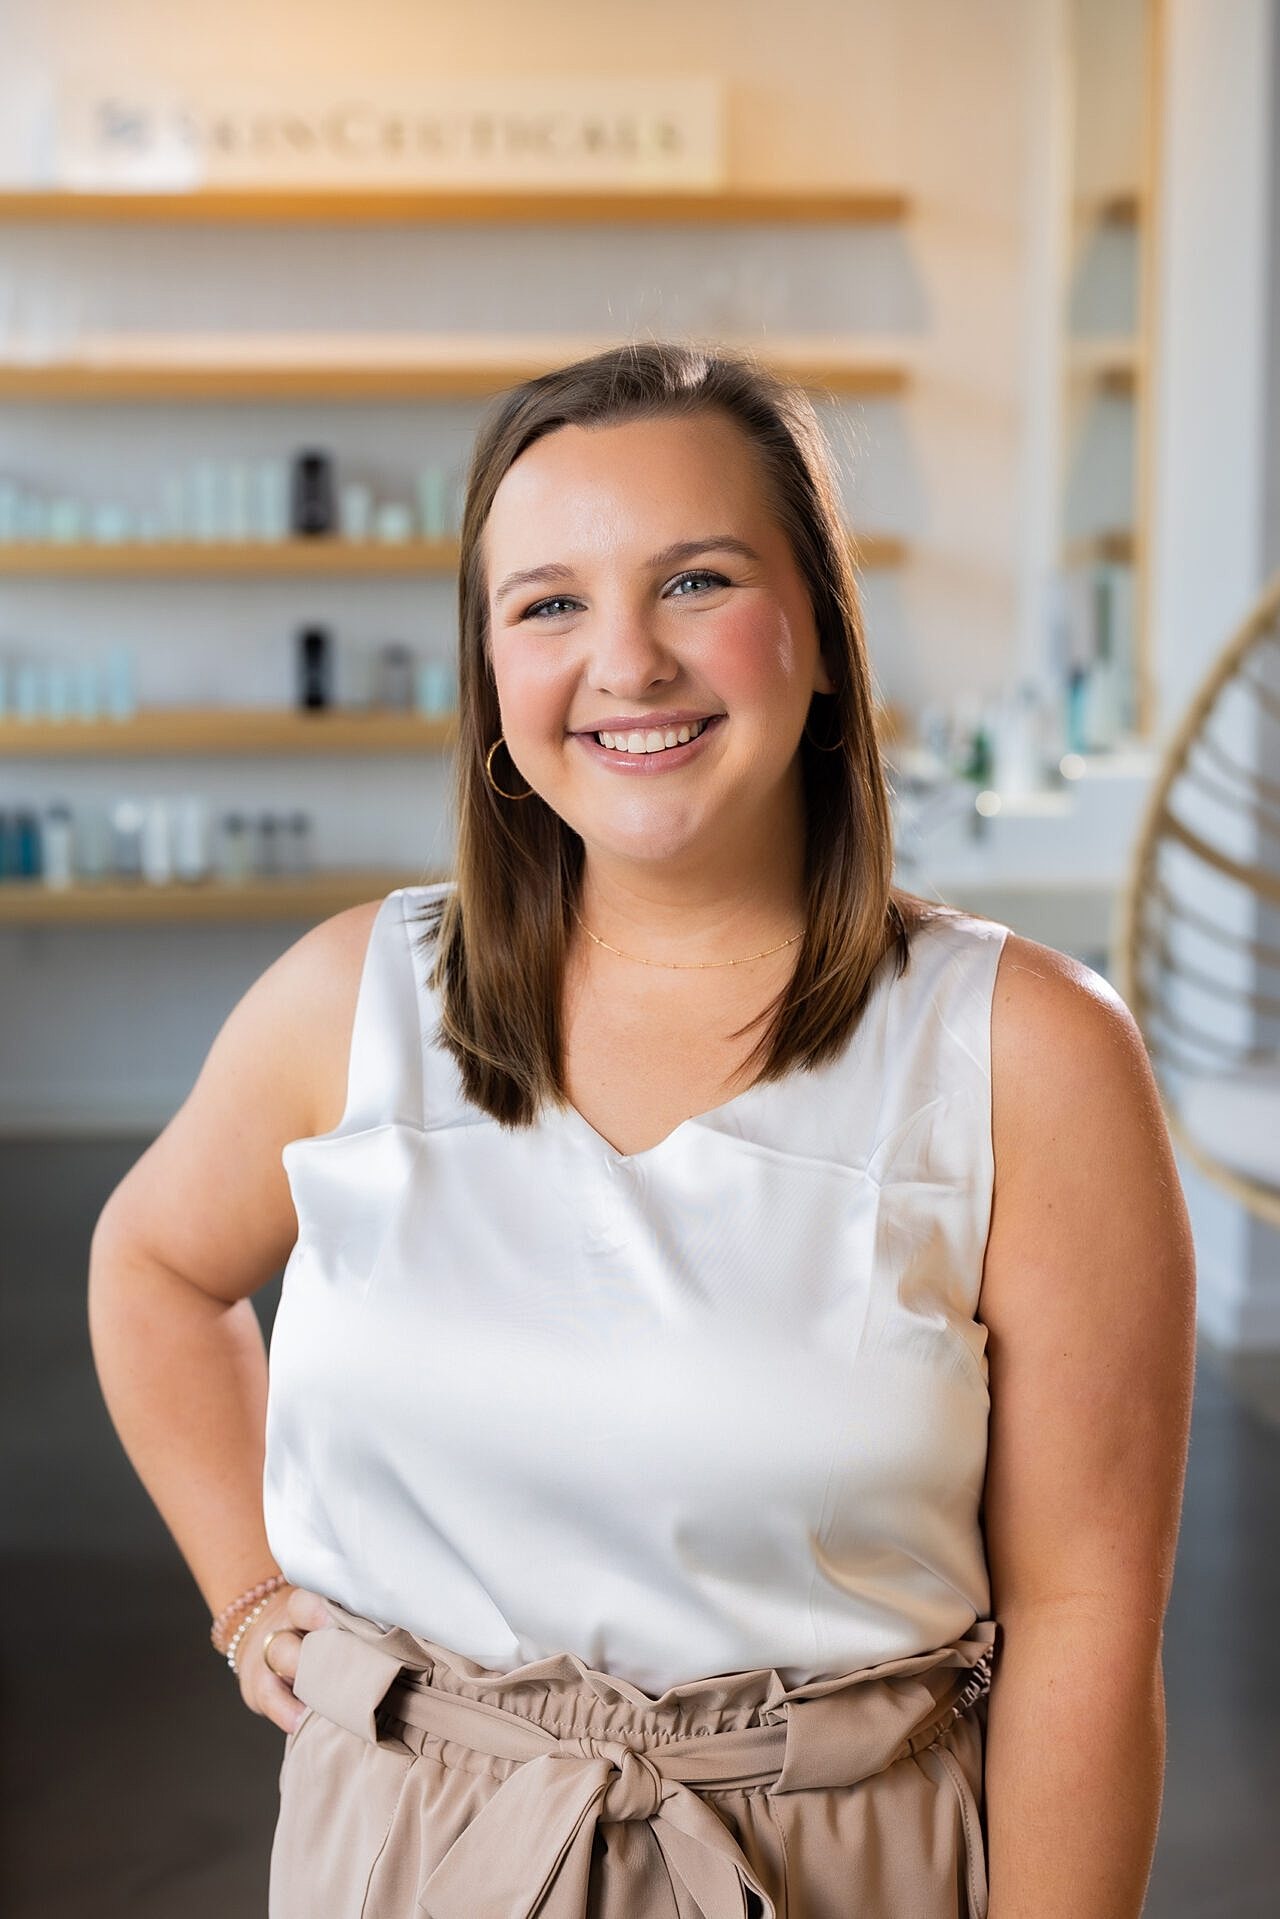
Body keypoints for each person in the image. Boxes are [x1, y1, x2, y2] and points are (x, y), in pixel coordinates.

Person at [88, 340, 1196, 1919]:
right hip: (404, 1856)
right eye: (549, 603)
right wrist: (248, 1593)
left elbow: (1086, 1624)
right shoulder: (350, 999)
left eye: (694, 582)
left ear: (816, 632)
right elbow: (150, 1266)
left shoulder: (1027, 1051)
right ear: (491, 676)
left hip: (838, 1867)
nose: (627, 662)